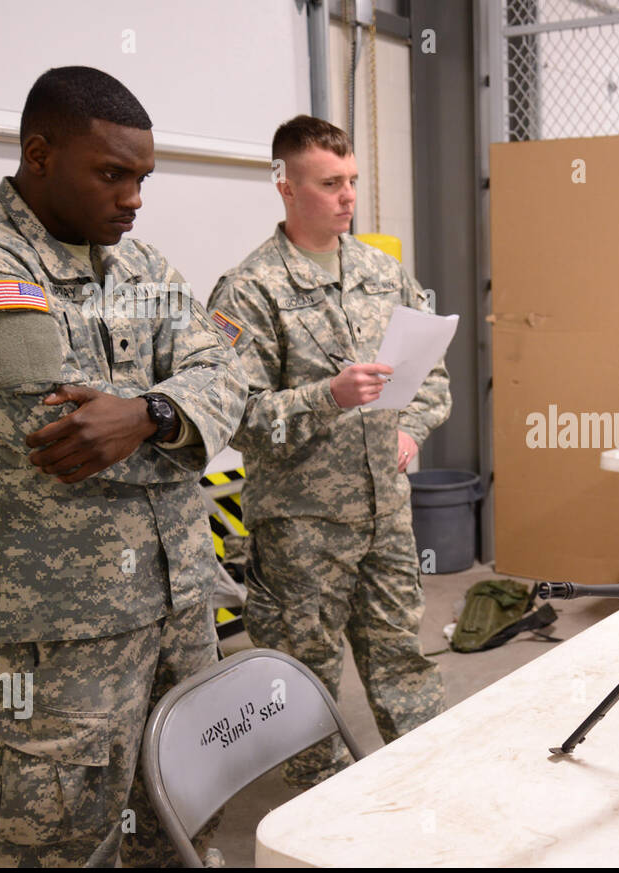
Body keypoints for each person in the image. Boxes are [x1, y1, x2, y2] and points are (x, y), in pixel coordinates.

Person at [0, 66, 248, 866]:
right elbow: (59, 434)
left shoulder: (139, 266)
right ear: (40, 155)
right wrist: (177, 414)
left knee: (183, 816)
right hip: (67, 635)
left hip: (182, 602)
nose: (134, 197)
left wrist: (150, 414)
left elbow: (229, 373)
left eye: (142, 177)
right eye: (113, 174)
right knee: (53, 849)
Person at [208, 115, 449, 787]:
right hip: (302, 534)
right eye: (329, 183)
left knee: (404, 657)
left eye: (352, 182)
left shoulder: (383, 273)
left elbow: (432, 376)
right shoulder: (249, 290)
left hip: (386, 517)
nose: (347, 198)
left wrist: (411, 430)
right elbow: (236, 419)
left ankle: (434, 788)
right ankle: (312, 815)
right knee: (301, 680)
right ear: (285, 186)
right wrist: (327, 398)